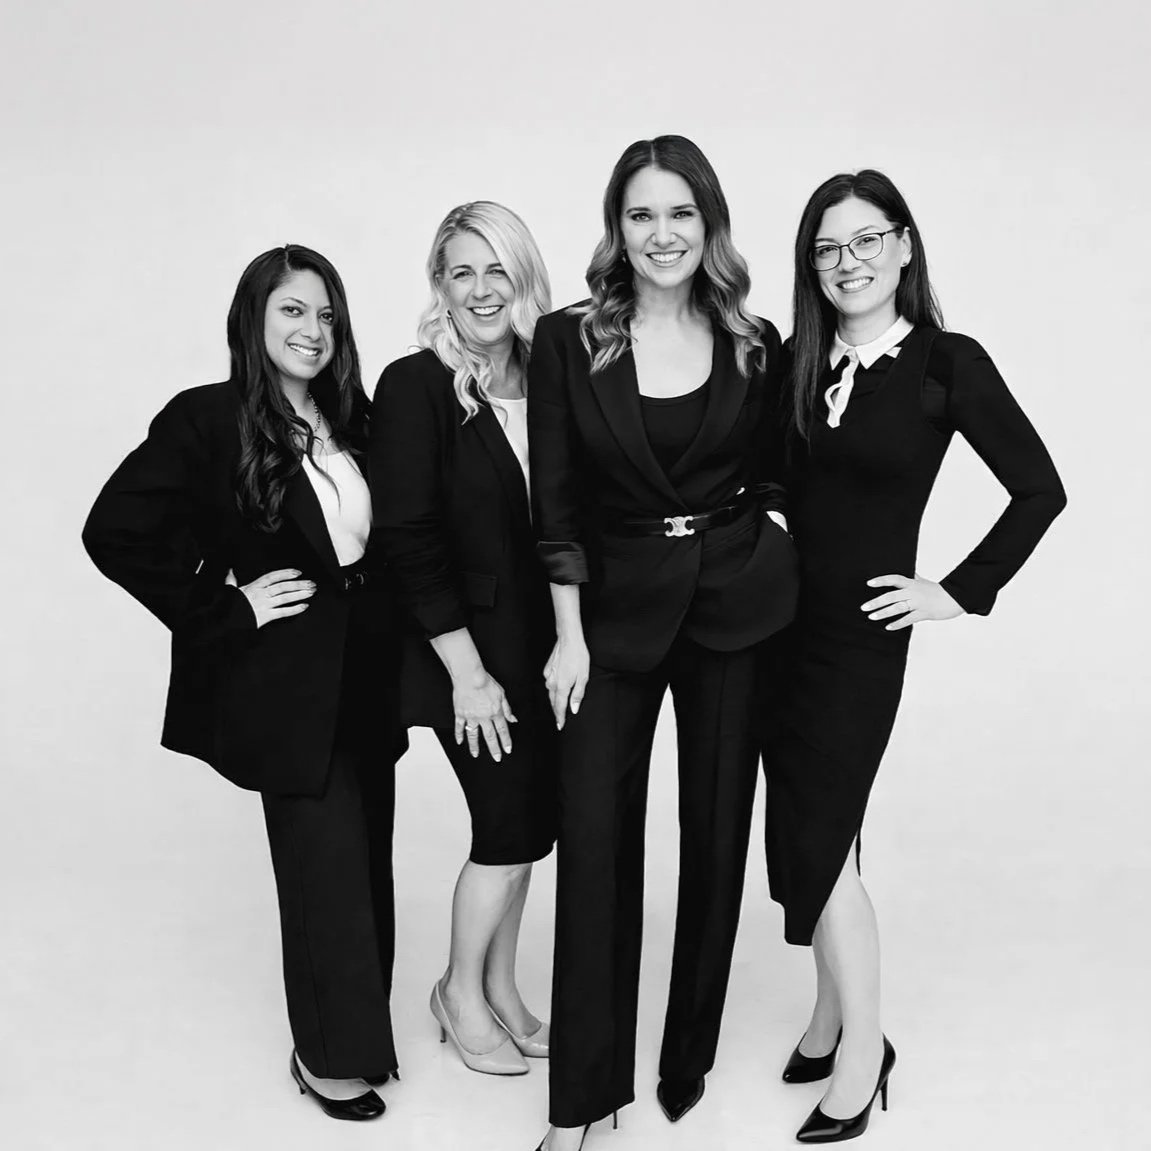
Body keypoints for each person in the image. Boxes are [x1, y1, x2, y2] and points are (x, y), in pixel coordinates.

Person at [763, 170, 1066, 1143]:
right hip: (773, 631)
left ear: (901, 245)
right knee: (816, 835)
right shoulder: (793, 362)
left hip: (856, 640)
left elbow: (1037, 490)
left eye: (864, 241)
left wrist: (954, 588)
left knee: (816, 841)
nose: (845, 262)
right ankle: (824, 1014)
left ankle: (863, 1051)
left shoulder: (944, 362)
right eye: (825, 247)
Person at [82, 245, 406, 1122]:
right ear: (253, 323)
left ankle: (359, 1035)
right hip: (284, 690)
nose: (312, 330)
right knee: (321, 867)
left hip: (365, 682)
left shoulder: (356, 420)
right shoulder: (206, 419)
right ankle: (326, 1056)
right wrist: (227, 607)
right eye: (291, 312)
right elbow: (112, 532)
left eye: (326, 313)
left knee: (364, 859)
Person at [527, 135, 799, 1151]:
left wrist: (767, 524)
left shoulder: (753, 339)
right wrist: (564, 635)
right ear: (616, 228)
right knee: (594, 845)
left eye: (678, 212)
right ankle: (583, 1099)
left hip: (734, 603)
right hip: (606, 618)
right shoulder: (568, 341)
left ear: (708, 223)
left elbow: (771, 467)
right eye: (640, 214)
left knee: (715, 835)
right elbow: (551, 499)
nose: (660, 233)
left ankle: (683, 1061)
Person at [371, 202, 556, 1078]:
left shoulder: (554, 374)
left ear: (521, 275)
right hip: (466, 654)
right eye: (460, 272)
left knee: (531, 828)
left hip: (547, 649)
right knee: (505, 828)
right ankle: (456, 990)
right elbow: (406, 537)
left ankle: (503, 991)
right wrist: (468, 675)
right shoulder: (415, 385)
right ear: (438, 285)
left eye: (495, 269)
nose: (481, 290)